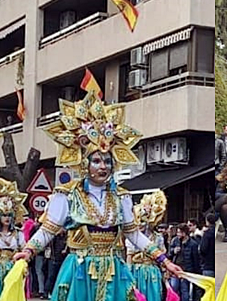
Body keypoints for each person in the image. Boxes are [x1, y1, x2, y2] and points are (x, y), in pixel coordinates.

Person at [13, 91, 183, 300]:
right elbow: (48, 230)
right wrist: (28, 251)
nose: (103, 166)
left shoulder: (122, 197)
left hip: (115, 272)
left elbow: (134, 234)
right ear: (85, 163)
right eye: (96, 161)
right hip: (80, 272)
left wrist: (164, 260)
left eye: (107, 161)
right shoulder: (67, 195)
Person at [129, 191, 168, 301]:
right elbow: (129, 256)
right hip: (136, 272)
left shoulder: (158, 237)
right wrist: (128, 277)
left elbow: (161, 257)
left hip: (153, 273)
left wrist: (166, 275)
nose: (141, 225)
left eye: (143, 221)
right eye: (139, 221)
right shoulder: (132, 238)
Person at [199, 214, 216, 298]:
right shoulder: (214, 233)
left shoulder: (207, 233)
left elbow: (203, 249)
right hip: (215, 264)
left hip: (208, 265)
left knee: (208, 289)